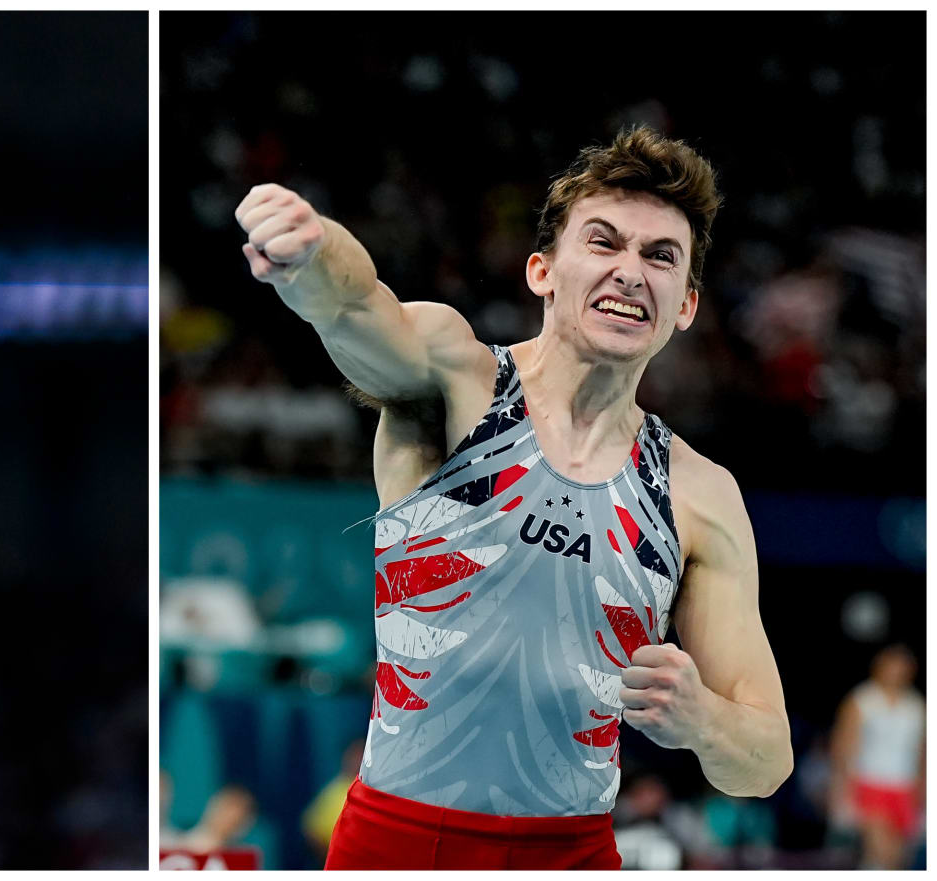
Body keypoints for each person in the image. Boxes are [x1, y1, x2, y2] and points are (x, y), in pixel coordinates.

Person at [234, 127, 792, 869]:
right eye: (604, 242)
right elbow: (356, 305)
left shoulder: (699, 494)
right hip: (397, 844)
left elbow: (766, 758)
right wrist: (310, 249)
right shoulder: (456, 380)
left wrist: (701, 719)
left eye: (660, 257)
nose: (631, 272)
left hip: (570, 855)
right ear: (541, 272)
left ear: (686, 305)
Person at [830, 644, 924, 869]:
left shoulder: (917, 706)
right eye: (891, 665)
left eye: (901, 666)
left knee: (898, 860)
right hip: (869, 782)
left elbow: (923, 753)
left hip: (904, 786)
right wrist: (841, 791)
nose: (896, 671)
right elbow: (842, 747)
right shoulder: (862, 700)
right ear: (879, 667)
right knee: (881, 851)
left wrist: (923, 790)